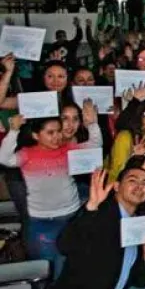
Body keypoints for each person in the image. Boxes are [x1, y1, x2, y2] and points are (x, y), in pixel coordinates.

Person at [0, 103, 102, 279]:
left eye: (58, 131)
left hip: (71, 217)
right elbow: (4, 158)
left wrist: (92, 124)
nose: (56, 137)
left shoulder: (68, 150)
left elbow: (95, 145)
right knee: (47, 270)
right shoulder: (27, 154)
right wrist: (14, 131)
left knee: (70, 268)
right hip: (42, 221)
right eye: (50, 133)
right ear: (35, 135)